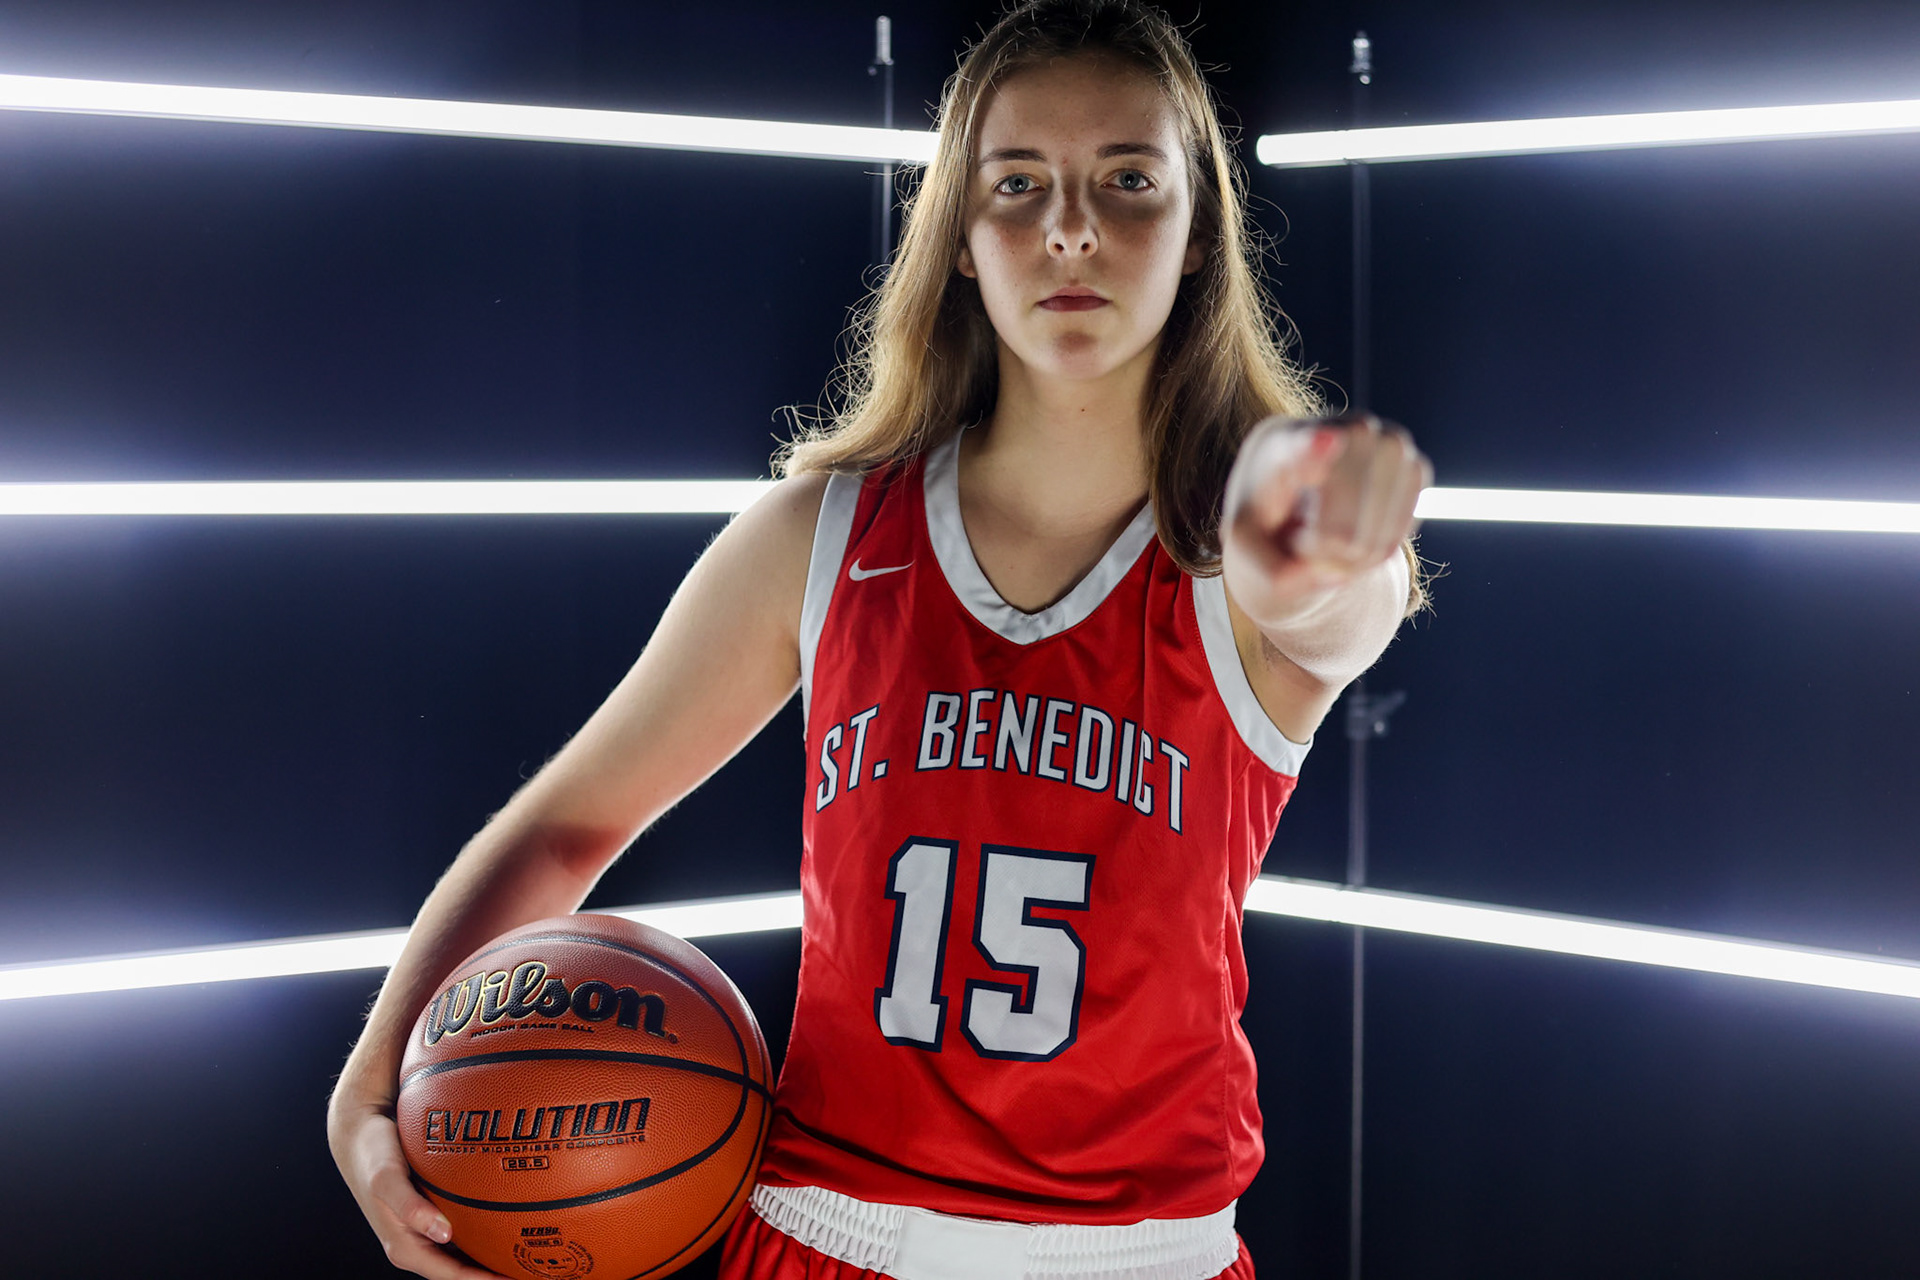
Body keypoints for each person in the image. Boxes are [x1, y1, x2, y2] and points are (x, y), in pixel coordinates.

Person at [327, 2, 1431, 1277]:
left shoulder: (1237, 556)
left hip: (1142, 1251)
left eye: (1129, 180)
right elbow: (568, 822)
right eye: (1018, 185)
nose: (1071, 225)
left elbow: (1333, 601)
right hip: (828, 1231)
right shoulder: (825, 534)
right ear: (961, 238)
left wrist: (1331, 552)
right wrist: (371, 1090)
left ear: (1197, 236)